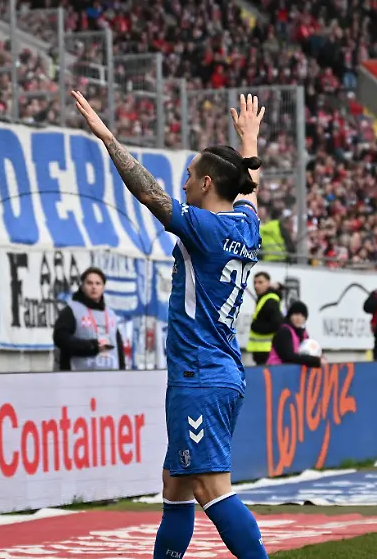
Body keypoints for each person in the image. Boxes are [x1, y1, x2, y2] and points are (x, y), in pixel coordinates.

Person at [72, 89, 269, 559]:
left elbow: (149, 193)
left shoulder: (204, 227)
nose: (182, 184)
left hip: (199, 374)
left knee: (209, 488)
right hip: (218, 371)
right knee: (175, 484)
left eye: (189, 176)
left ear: (206, 183)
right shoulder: (246, 224)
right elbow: (249, 190)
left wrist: (108, 139)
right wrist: (249, 143)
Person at [53, 267, 126, 370]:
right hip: (78, 375)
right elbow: (60, 337)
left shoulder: (111, 314)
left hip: (109, 376)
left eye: (98, 283)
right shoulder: (72, 310)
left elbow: (119, 349)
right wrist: (91, 346)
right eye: (89, 283)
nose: (94, 287)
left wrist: (122, 372)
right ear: (82, 287)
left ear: (103, 288)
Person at [266, 301, 325, 368]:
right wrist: (315, 361)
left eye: (302, 315)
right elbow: (288, 357)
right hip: (276, 370)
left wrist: (319, 357)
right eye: (296, 314)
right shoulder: (284, 332)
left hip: (293, 371)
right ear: (290, 316)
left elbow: (308, 353)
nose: (299, 318)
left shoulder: (303, 334)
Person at [247, 272, 284, 365]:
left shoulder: (270, 300)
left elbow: (276, 324)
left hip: (266, 351)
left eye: (260, 282)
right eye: (255, 282)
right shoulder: (264, 298)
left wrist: (255, 327)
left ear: (268, 283)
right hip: (262, 350)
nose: (256, 286)